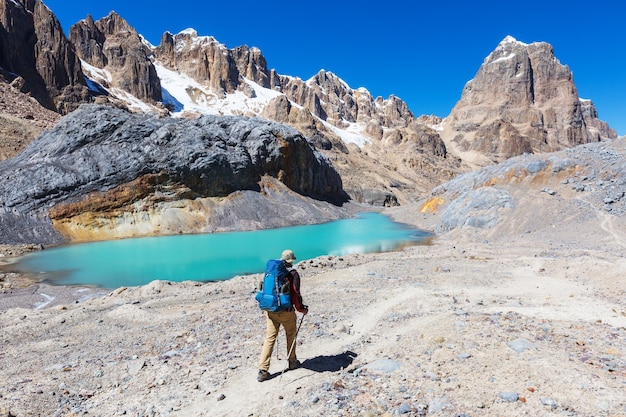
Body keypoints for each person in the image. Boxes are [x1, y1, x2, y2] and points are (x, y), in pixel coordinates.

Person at [257, 249, 308, 382]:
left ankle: (263, 370)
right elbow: (296, 295)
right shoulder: (292, 274)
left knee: (270, 338)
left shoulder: (272, 272)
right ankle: (292, 362)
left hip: (271, 310)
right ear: (291, 261)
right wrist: (301, 309)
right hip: (286, 312)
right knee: (290, 334)